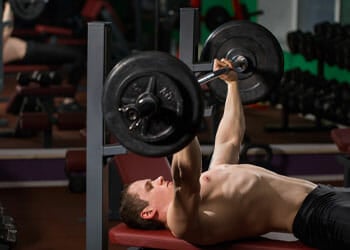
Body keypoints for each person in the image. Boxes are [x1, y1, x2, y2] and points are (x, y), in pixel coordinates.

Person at [119, 58, 350, 250]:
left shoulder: (209, 180)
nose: (159, 178)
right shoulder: (181, 221)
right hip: (317, 217)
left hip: (326, 194)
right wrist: (178, 117)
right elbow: (184, 177)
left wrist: (232, 85)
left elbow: (229, 140)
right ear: (148, 212)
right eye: (150, 186)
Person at [2, 1, 85, 110]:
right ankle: (68, 100)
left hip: (27, 48)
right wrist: (9, 5)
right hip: (27, 52)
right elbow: (5, 32)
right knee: (77, 56)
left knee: (77, 56)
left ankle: (67, 99)